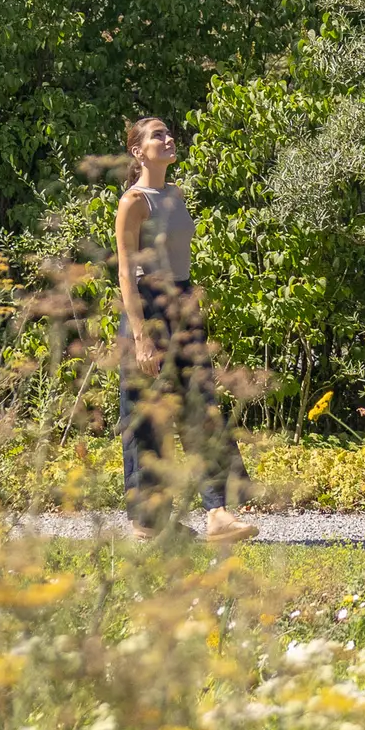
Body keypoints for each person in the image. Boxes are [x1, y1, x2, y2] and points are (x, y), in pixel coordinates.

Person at [114, 117, 256, 543]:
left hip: (182, 302)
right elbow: (124, 271)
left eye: (168, 133)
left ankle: (218, 513)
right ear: (138, 151)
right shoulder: (134, 201)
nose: (168, 138)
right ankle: (149, 524)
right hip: (148, 307)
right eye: (157, 135)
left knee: (201, 408)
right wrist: (140, 335)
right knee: (147, 419)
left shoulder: (175, 195)